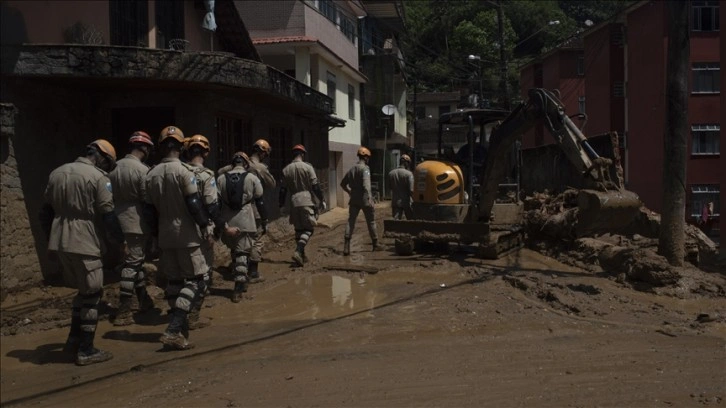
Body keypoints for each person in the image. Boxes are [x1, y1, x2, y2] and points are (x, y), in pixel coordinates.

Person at [144, 126, 236, 350]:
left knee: (174, 283)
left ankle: (181, 328)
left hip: (165, 235)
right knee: (196, 280)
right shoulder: (186, 173)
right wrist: (208, 227)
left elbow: (148, 212)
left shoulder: (151, 174)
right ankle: (174, 328)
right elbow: (196, 203)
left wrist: (154, 237)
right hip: (188, 234)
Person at [39, 139, 125, 366]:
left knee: (82, 291)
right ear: (102, 158)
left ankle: (73, 341)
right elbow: (108, 215)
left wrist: (50, 241)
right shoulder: (98, 178)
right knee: (93, 294)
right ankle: (86, 349)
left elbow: (45, 213)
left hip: (60, 239)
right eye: (108, 164)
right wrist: (119, 242)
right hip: (84, 239)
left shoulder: (57, 173)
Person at [107, 131, 156, 327]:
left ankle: (143, 299)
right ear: (144, 148)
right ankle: (124, 310)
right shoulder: (143, 170)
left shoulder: (113, 167)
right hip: (135, 220)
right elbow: (146, 200)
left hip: (115, 219)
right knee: (132, 264)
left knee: (134, 260)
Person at [183, 134, 223, 327]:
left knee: (179, 277)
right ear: (206, 152)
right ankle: (192, 316)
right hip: (200, 230)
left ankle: (178, 314)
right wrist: (219, 228)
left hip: (175, 230)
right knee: (202, 274)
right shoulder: (206, 175)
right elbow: (212, 205)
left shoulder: (178, 172)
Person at [217, 151, 266, 302]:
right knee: (242, 254)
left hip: (227, 220)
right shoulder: (251, 178)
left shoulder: (220, 179)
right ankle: (238, 287)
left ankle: (240, 276)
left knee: (234, 249)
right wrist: (264, 219)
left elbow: (216, 203)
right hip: (245, 219)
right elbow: (260, 201)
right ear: (246, 164)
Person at [279, 144, 326, 266]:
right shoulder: (307, 167)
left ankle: (302, 256)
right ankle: (298, 250)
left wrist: (281, 205)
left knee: (298, 230)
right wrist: (322, 199)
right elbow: (315, 186)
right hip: (306, 200)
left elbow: (283, 190)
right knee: (309, 229)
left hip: (293, 201)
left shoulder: (286, 170)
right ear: (303, 154)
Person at [246, 139, 276, 283]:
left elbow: (221, 172)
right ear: (262, 152)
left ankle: (237, 267)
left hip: (237, 210)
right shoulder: (259, 168)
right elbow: (272, 184)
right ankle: (253, 272)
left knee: (241, 239)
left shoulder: (239, 164)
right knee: (256, 239)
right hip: (254, 207)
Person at [340, 146, 380, 255]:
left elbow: (343, 184)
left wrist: (349, 192)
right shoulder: (365, 169)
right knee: (371, 221)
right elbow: (366, 185)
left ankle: (346, 247)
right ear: (366, 157)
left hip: (354, 199)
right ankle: (375, 244)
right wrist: (370, 198)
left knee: (351, 221)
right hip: (364, 198)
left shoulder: (351, 169)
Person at [388, 154, 414, 220]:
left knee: (396, 222)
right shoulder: (409, 174)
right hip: (406, 202)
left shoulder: (391, 173)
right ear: (406, 163)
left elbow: (390, 187)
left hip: (395, 201)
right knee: (411, 221)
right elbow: (411, 190)